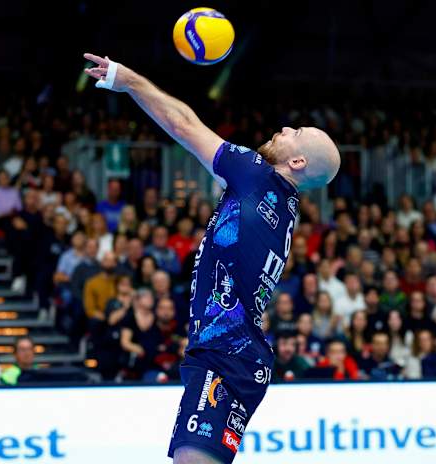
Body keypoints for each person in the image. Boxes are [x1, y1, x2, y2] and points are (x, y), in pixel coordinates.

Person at [83, 52, 340, 463]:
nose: (286, 127)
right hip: (233, 355)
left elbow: (183, 125)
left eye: (297, 132)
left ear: (297, 162)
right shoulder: (282, 207)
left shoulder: (258, 175)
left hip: (227, 356)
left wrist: (129, 80)